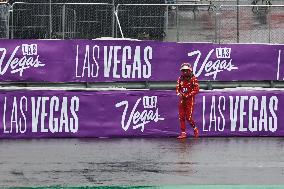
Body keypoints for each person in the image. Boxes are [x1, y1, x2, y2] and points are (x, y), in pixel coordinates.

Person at [176, 63, 199, 139]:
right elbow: (177, 89)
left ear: (190, 71)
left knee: (188, 117)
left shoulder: (193, 79)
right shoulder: (180, 78)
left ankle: (195, 128)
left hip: (190, 99)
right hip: (182, 99)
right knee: (181, 116)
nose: (185, 72)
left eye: (186, 70)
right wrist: (179, 94)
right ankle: (183, 133)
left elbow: (196, 90)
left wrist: (187, 95)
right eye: (183, 71)